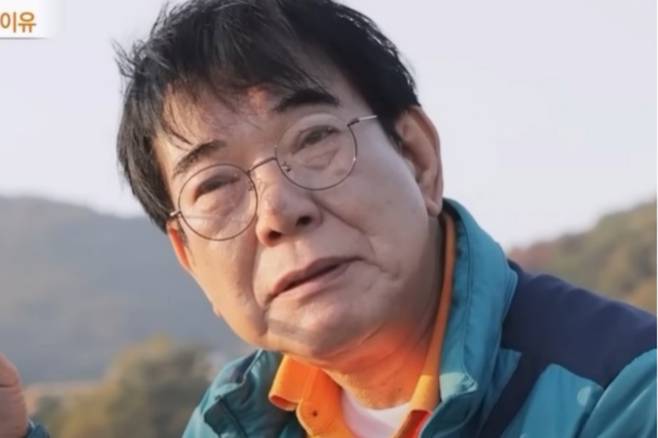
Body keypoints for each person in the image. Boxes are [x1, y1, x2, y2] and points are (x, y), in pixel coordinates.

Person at [2, 0, 656, 436]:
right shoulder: (242, 416)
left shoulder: (623, 395)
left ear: (418, 158)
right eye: (215, 184)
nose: (278, 212)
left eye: (313, 139)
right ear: (189, 259)